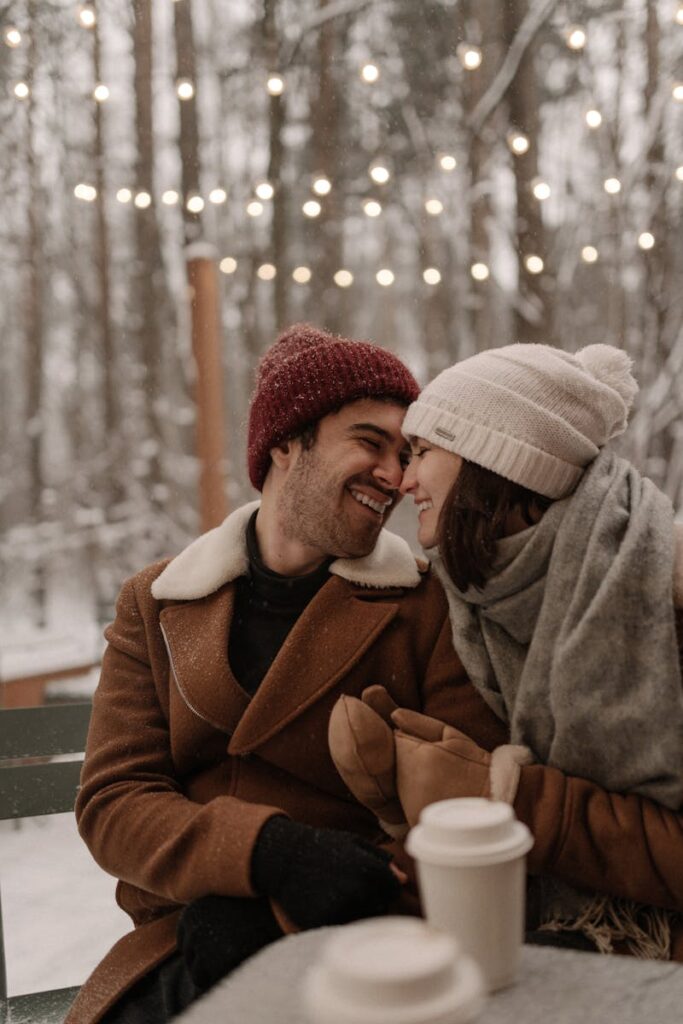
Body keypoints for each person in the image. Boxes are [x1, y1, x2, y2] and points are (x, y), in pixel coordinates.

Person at [66, 324, 508, 1024]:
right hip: (181, 938)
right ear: (284, 443)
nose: (394, 476)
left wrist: (291, 906)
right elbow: (114, 802)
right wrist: (264, 852)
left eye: (404, 454)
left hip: (365, 937)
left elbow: (465, 813)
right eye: (369, 442)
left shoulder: (425, 608)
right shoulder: (156, 603)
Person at [329, 342, 683, 960]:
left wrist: (511, 799)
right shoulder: (481, 608)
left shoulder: (667, 592)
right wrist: (404, 802)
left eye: (424, 452)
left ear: (495, 460)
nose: (405, 480)